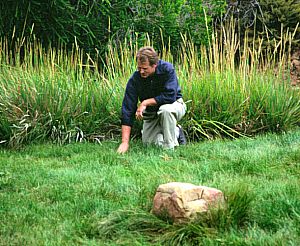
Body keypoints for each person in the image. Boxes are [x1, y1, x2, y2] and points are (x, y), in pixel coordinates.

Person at [117, 46, 187, 154]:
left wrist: (145, 102)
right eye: (139, 68)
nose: (141, 71)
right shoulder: (135, 79)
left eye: (145, 69)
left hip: (174, 105)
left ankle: (169, 149)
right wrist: (124, 142)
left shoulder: (167, 69)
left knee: (165, 110)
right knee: (149, 144)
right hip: (152, 112)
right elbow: (128, 109)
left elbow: (170, 96)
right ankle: (177, 133)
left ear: (154, 65)